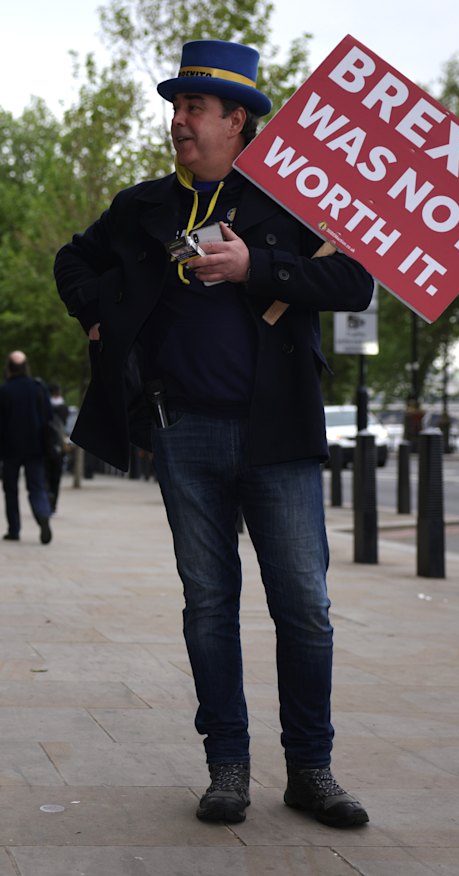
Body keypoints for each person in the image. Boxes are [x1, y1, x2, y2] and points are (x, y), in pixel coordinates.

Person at [54, 39, 373, 827]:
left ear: (240, 120)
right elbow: (72, 262)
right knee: (208, 607)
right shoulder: (143, 208)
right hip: (184, 432)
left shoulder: (294, 202)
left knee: (303, 606)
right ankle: (227, 768)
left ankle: (311, 770)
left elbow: (356, 279)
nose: (179, 122)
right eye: (176, 108)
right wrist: (101, 317)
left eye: (195, 108)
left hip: (281, 436)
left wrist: (253, 269)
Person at [0, 351, 53, 544]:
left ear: (9, 368)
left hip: (10, 448)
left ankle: (14, 529)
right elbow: (48, 416)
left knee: (11, 489)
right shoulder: (38, 388)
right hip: (36, 446)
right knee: (37, 486)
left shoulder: (4, 391)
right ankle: (43, 513)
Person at [45, 383, 69, 511]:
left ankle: (48, 498)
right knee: (56, 478)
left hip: (45, 447)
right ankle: (53, 505)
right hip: (59, 447)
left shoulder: (44, 407)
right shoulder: (64, 409)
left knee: (46, 477)